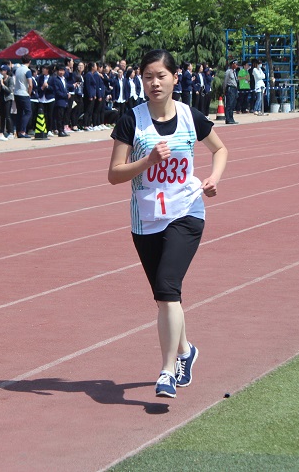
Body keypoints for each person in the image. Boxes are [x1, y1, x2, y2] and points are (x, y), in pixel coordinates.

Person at [107, 49, 228, 399]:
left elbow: (220, 150)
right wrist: (147, 161)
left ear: (175, 78)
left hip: (186, 212)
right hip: (146, 220)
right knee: (165, 298)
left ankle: (167, 371)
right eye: (148, 76)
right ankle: (186, 351)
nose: (154, 83)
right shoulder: (131, 120)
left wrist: (213, 178)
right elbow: (114, 174)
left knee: (167, 288)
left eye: (161, 76)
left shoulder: (191, 116)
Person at [223, 60, 239, 124]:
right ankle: (228, 119)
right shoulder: (228, 72)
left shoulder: (234, 72)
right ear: (232, 64)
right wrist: (224, 90)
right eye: (236, 64)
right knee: (229, 104)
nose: (237, 65)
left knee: (233, 104)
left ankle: (231, 118)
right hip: (230, 88)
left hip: (234, 89)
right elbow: (225, 81)